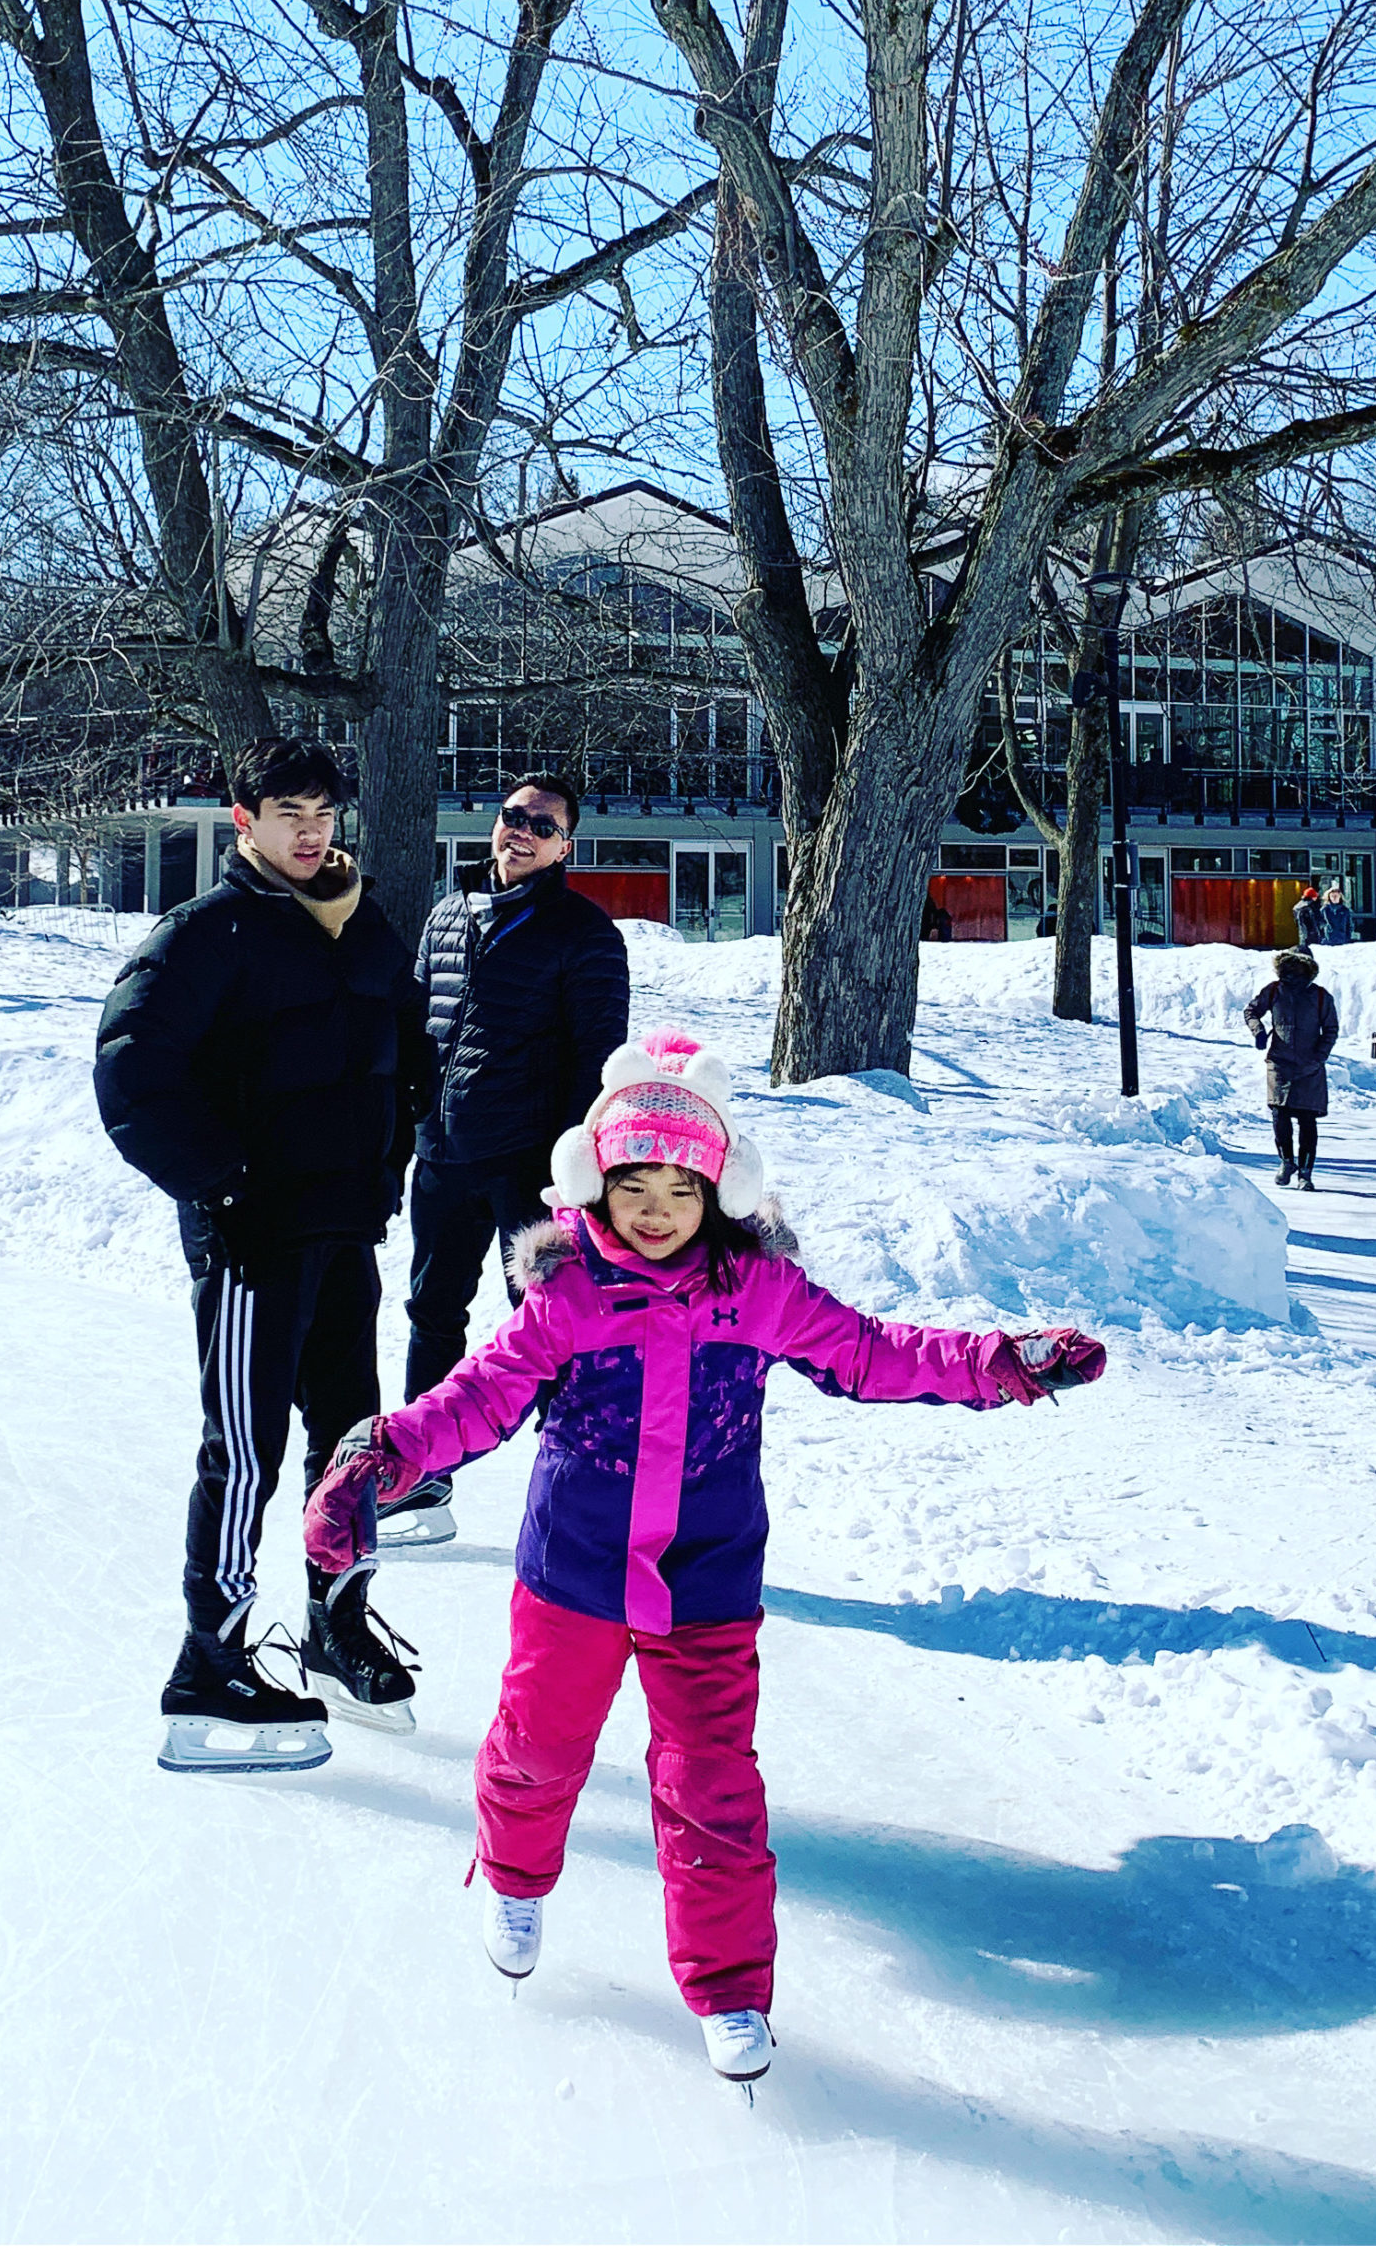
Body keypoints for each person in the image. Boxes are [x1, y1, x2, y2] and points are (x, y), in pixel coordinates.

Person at [301, 1032, 1106, 2083]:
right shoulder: (569, 1295)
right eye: (630, 1182)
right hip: (575, 1571)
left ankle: (729, 1989)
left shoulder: (757, 1291)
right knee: (538, 1747)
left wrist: (998, 1363)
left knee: (713, 1785)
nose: (651, 1208)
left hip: (707, 1579)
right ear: (595, 1183)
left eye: (677, 1187)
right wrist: (387, 1456)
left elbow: (872, 1352)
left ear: (716, 1191)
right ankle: (512, 1875)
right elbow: (480, 1398)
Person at [93, 738, 431, 1773]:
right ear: (243, 820)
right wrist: (223, 1187)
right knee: (245, 1452)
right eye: (288, 810)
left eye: (322, 809)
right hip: (252, 1239)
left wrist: (390, 1157)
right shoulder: (205, 934)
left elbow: (400, 1054)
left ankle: (336, 1622)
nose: (310, 828)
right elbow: (131, 1077)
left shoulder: (363, 924)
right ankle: (212, 1661)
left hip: (345, 1230)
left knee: (352, 1448)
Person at [388, 773, 630, 1551]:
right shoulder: (447, 915)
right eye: (511, 816)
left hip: (529, 1163)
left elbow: (601, 1063)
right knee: (432, 1312)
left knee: (551, 1323)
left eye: (541, 824)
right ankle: (419, 1480)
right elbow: (417, 1032)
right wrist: (407, 1123)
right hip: (444, 1153)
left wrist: (573, 1172)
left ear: (566, 845)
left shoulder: (585, 934)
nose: (519, 831)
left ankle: (581, 1493)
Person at [1242, 949, 1339, 1189]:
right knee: (1279, 1114)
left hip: (1310, 1066)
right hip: (1279, 1062)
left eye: (1298, 967)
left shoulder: (1320, 996)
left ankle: (1305, 1173)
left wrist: (1319, 1056)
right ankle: (1287, 1161)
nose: (1292, 973)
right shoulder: (1274, 990)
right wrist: (1259, 1032)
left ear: (1308, 969)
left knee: (1307, 1120)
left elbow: (1331, 1029)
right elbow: (1251, 1011)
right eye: (1288, 967)